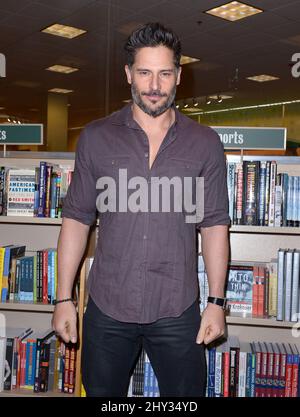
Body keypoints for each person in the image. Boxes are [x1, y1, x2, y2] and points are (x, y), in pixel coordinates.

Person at [52, 22, 230, 397]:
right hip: (108, 305)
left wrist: (216, 302)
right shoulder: (96, 138)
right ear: (128, 73)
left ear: (179, 76)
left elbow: (214, 225)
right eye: (145, 72)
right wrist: (64, 299)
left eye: (165, 73)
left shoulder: (205, 143)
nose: (154, 85)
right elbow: (76, 220)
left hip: (178, 307)